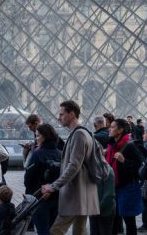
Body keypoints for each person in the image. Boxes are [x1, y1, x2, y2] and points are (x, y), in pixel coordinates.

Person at [41, 100, 100, 235]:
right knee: (79, 231)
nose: (59, 117)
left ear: (72, 114)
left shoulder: (79, 134)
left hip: (77, 194)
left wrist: (54, 186)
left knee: (56, 231)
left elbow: (74, 165)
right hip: (82, 193)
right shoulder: (83, 132)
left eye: (61, 114)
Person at [23, 123, 61, 235]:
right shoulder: (60, 153)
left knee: (43, 230)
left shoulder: (38, 154)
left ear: (44, 136)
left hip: (39, 197)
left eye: (38, 136)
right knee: (52, 229)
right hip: (57, 198)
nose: (36, 138)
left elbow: (28, 179)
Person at [107, 118, 143, 235]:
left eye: (112, 127)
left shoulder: (130, 146)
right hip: (114, 186)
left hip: (127, 187)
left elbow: (139, 166)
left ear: (120, 130)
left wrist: (124, 161)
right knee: (113, 218)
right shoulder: (112, 145)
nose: (109, 129)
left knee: (128, 219)